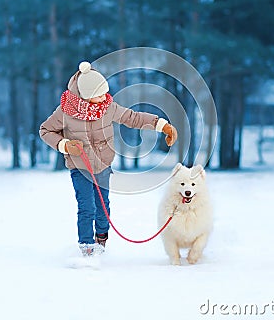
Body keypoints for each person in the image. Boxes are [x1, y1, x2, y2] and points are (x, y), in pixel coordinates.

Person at [39, 61, 178, 257]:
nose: (104, 97)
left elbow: (133, 118)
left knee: (103, 206)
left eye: (105, 92)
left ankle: (101, 238)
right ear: (85, 96)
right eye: (98, 94)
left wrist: (162, 125)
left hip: (103, 165)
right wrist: (64, 145)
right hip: (80, 167)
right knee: (86, 206)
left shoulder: (107, 107)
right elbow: (45, 130)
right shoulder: (65, 111)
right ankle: (86, 246)